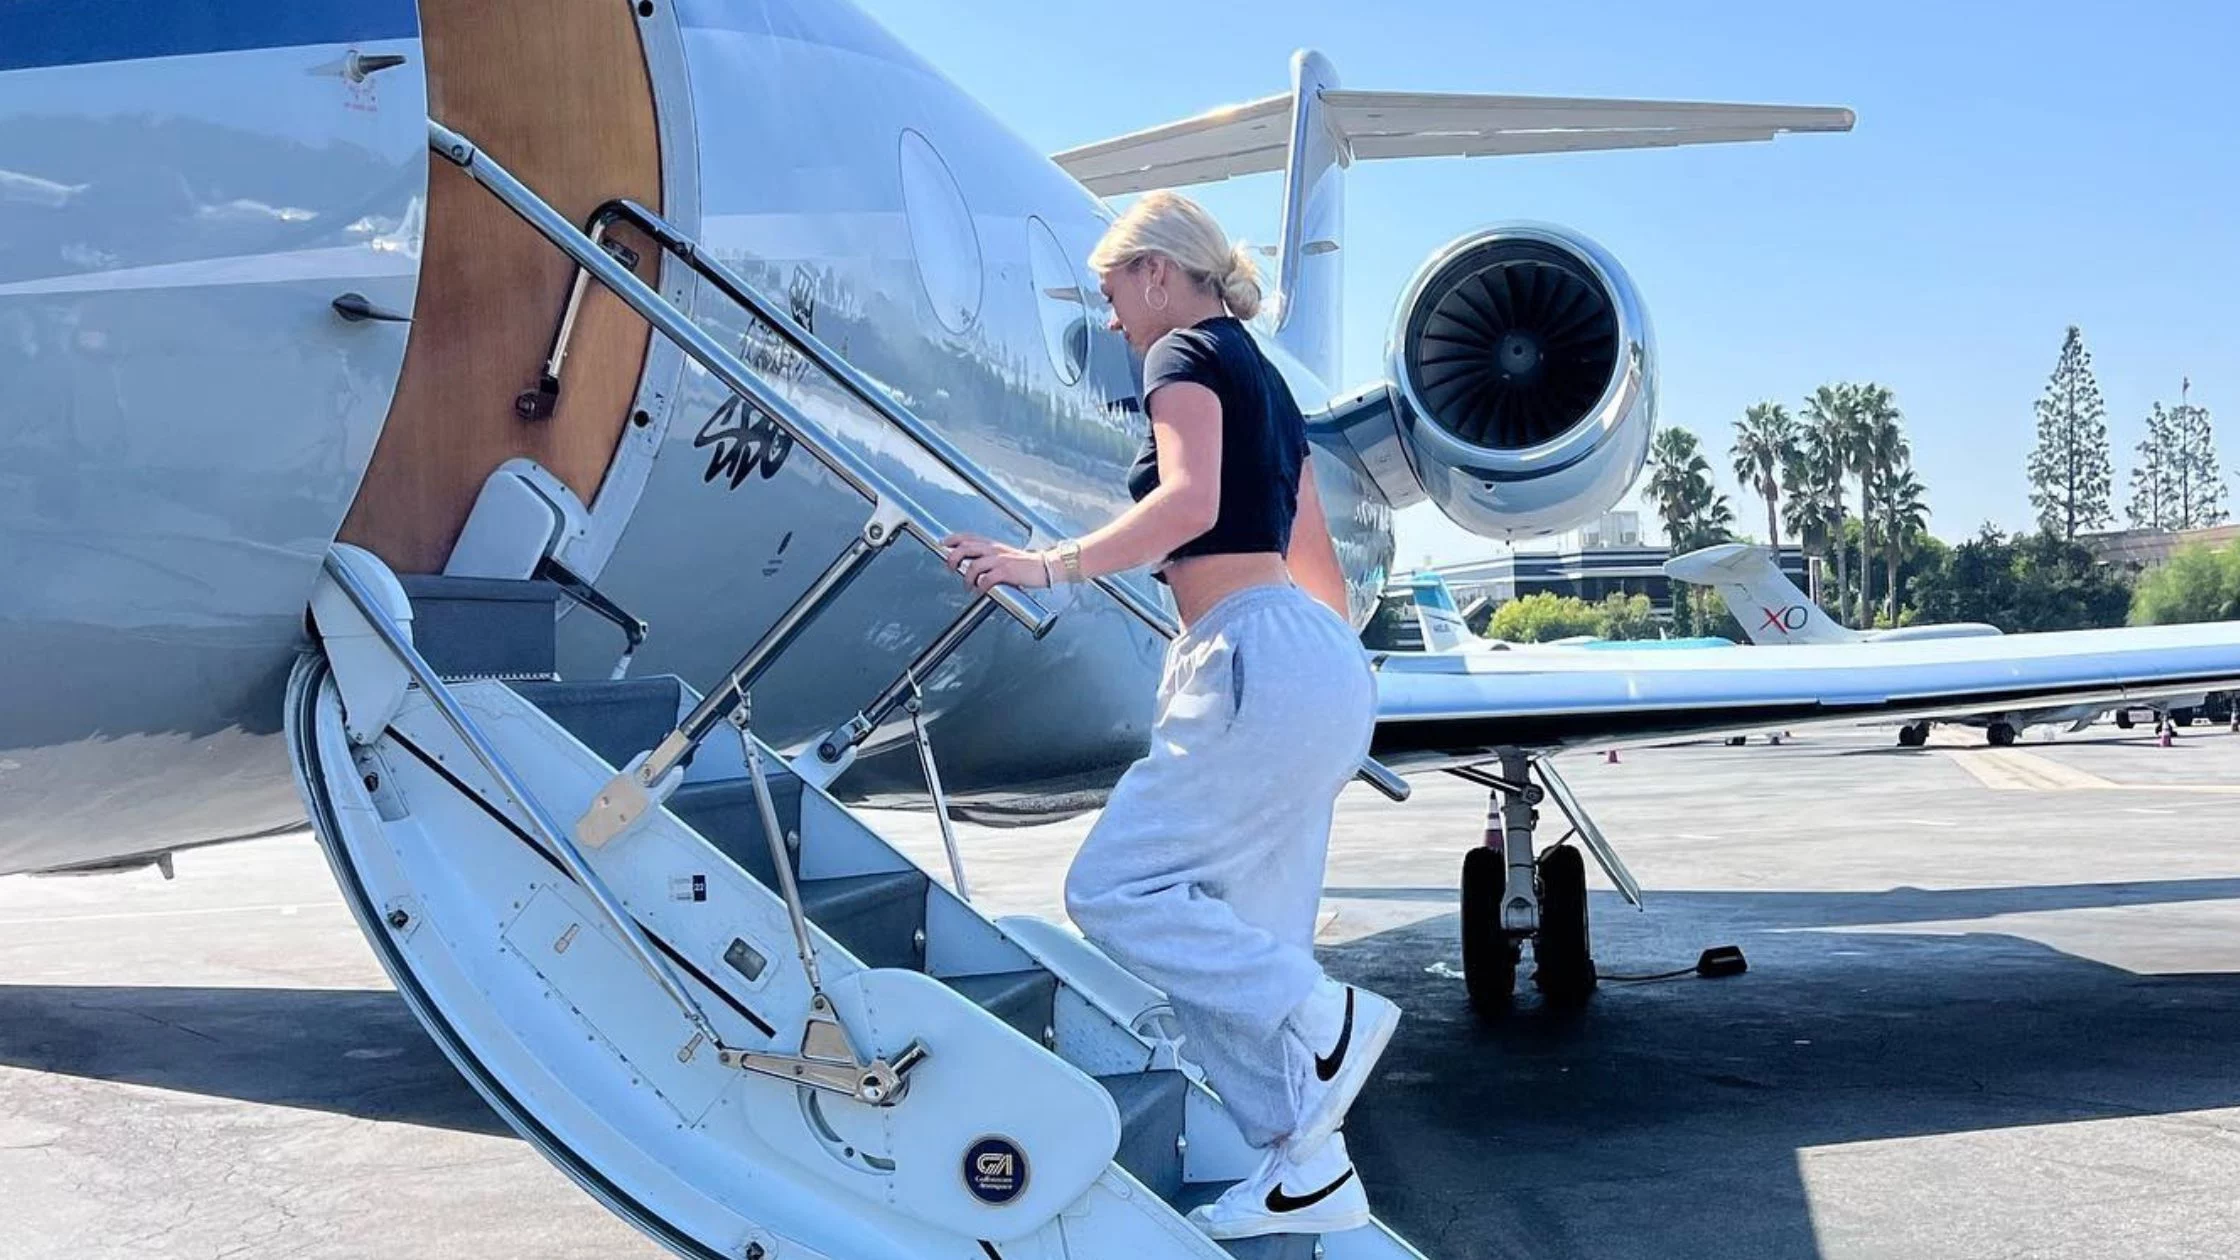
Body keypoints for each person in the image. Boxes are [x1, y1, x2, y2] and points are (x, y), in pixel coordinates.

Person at [940, 191, 1400, 1240]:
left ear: (1156, 271)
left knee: (1113, 889)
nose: (1110, 322)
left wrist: (1041, 564)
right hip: (1310, 657)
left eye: (1110, 294)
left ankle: (1322, 1016)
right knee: (1229, 942)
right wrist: (1319, 682)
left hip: (1250, 652)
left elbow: (1187, 505)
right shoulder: (1267, 380)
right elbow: (1315, 558)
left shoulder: (1182, 353)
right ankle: (1307, 1164)